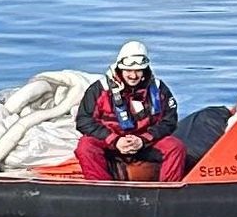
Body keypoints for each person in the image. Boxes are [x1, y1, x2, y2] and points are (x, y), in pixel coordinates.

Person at [74, 41, 187, 182]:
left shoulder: (159, 89)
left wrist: (143, 140)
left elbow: (169, 121)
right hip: (111, 143)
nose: (133, 76)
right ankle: (102, 190)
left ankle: (168, 193)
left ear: (145, 70)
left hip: (144, 142)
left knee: (175, 147)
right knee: (86, 146)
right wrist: (115, 140)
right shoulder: (99, 89)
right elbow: (84, 120)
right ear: (120, 69)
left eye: (138, 70)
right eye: (128, 70)